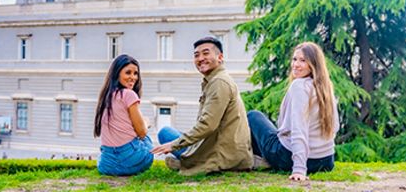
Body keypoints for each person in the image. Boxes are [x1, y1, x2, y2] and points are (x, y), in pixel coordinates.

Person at [151, 37, 253, 175]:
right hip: (218, 143)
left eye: (206, 53)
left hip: (223, 153)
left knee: (167, 135)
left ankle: (188, 162)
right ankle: (187, 159)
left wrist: (173, 145)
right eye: (196, 55)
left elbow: (207, 125)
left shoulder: (219, 83)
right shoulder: (213, 81)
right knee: (166, 133)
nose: (200, 58)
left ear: (220, 57)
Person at [247, 42, 339, 181]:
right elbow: (335, 126)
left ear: (313, 64)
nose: (296, 64)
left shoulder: (299, 86)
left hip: (292, 159)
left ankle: (254, 160)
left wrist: (299, 169)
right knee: (272, 129)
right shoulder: (325, 87)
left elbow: (299, 129)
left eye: (303, 60)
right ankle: (262, 160)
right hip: (326, 161)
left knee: (253, 116)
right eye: (294, 59)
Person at [94, 54, 153, 176]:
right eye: (128, 73)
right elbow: (142, 132)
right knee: (147, 140)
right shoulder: (129, 94)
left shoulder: (106, 97)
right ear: (117, 74)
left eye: (135, 73)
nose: (133, 77)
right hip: (131, 159)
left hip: (106, 165)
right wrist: (146, 122)